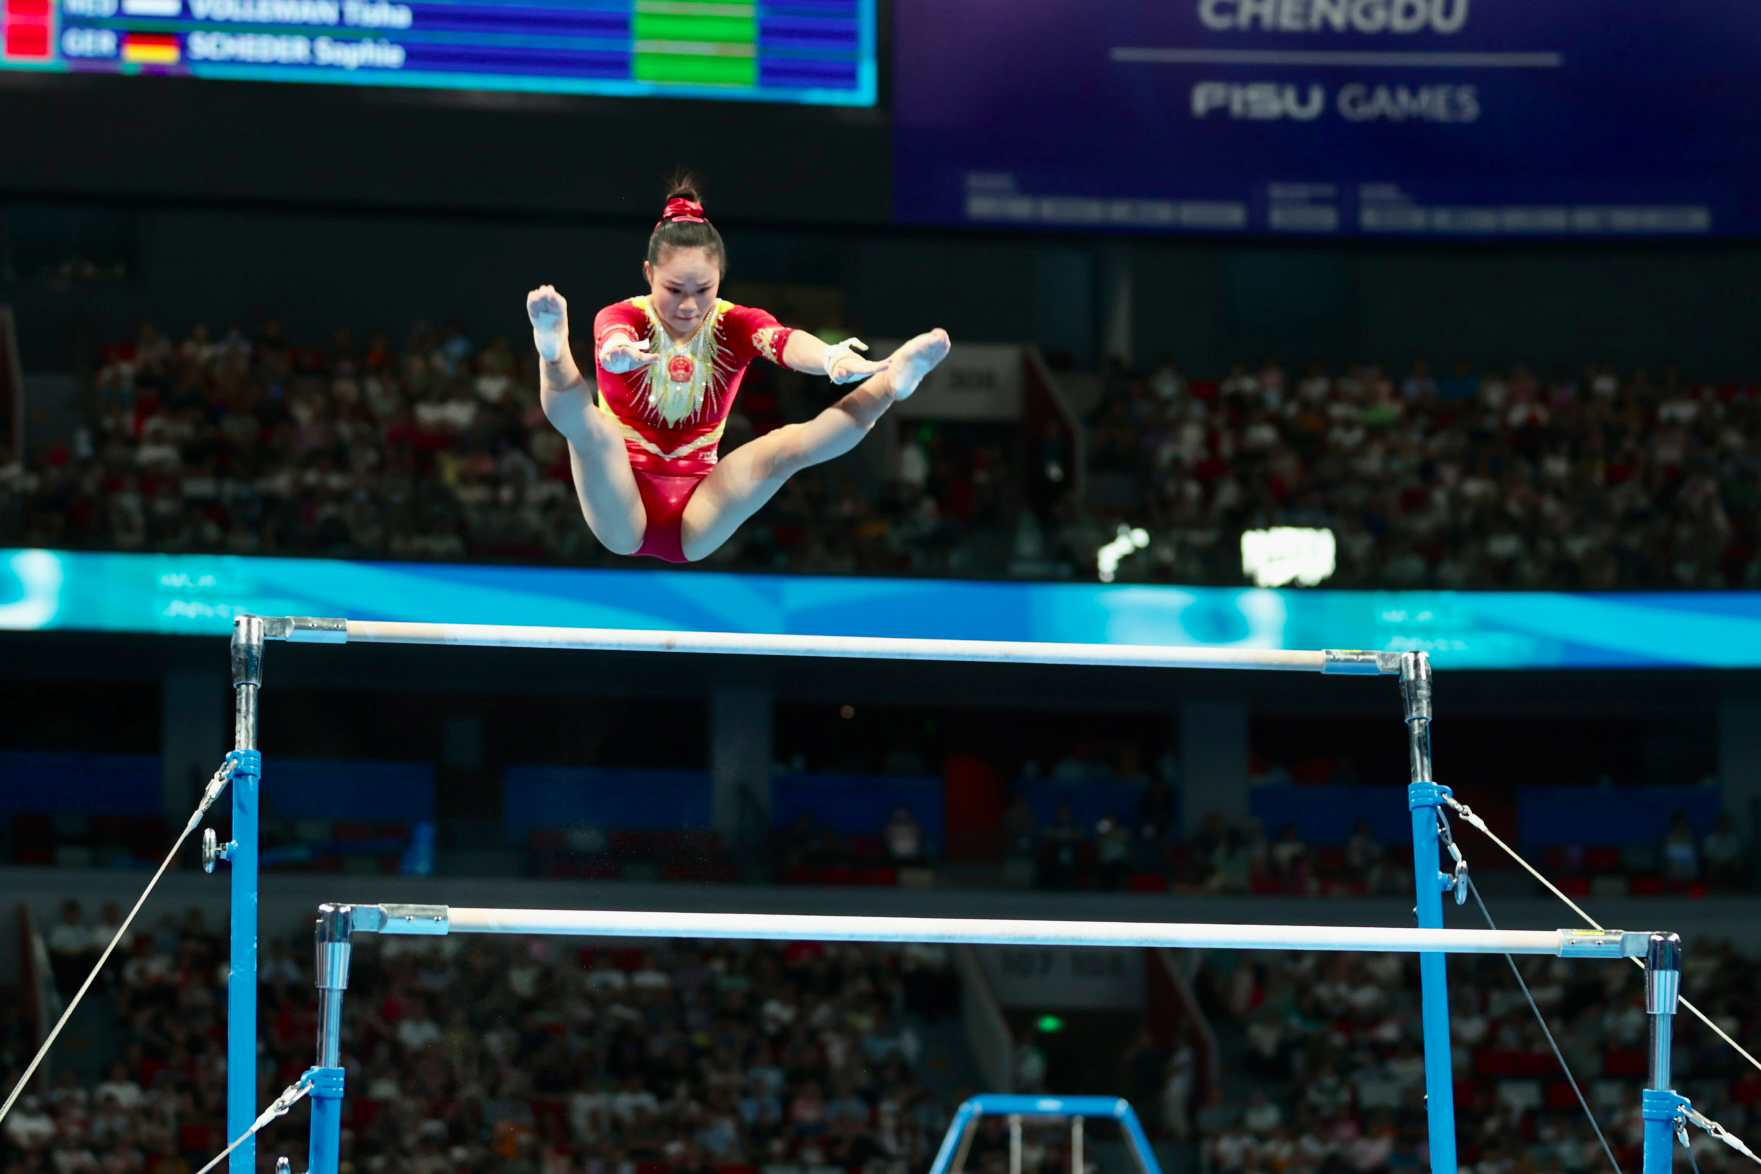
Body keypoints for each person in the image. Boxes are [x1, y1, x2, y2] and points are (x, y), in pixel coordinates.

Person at [527, 179, 951, 563]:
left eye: (703, 289)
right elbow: (612, 337)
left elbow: (783, 341)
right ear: (649, 273)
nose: (688, 305)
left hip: (699, 509)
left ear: (720, 277)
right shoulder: (623, 316)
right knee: (594, 430)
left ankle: (892, 384)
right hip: (621, 504)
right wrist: (617, 350)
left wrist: (829, 358)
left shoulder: (735, 323)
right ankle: (552, 349)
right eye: (674, 289)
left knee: (784, 450)